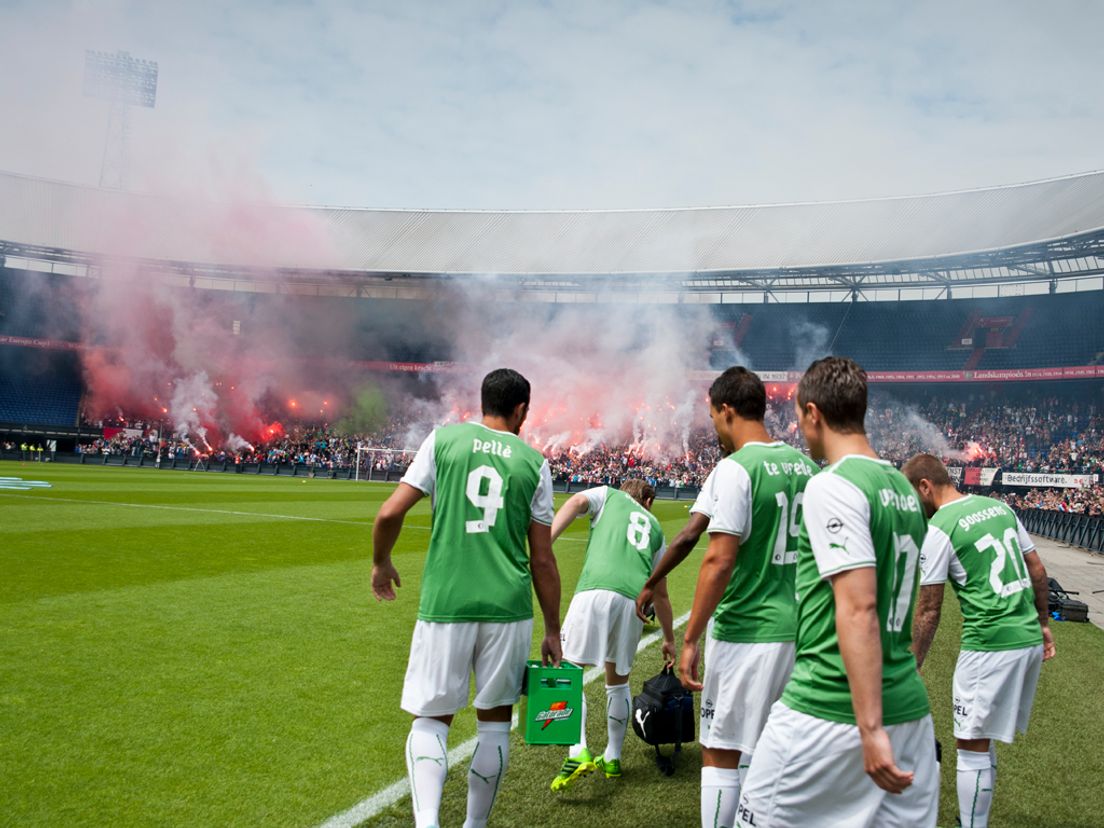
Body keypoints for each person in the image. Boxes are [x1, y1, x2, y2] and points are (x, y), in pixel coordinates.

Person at [740, 356, 938, 827]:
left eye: (798, 419)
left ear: (813, 413)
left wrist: (869, 728)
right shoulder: (903, 489)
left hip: (829, 705)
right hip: (908, 706)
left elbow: (859, 607)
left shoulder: (833, 484)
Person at [371, 368, 563, 828]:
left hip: (447, 603)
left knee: (432, 720)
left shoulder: (442, 441)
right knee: (495, 724)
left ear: (483, 402)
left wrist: (381, 562)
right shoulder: (534, 463)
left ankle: (427, 823)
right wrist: (553, 627)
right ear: (521, 410)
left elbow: (389, 511)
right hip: (509, 610)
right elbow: (542, 559)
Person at [676, 366, 817, 828]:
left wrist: (692, 637)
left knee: (719, 748)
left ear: (727, 409)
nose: (713, 425)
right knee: (771, 750)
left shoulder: (736, 469)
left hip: (746, 630)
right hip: (800, 632)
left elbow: (718, 560)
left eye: (713, 415)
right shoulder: (807, 468)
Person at [903, 453, 1056, 828]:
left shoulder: (939, 527)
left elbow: (928, 609)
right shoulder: (1000, 507)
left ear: (925, 486)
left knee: (969, 743)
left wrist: (913, 665)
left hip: (990, 642)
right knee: (980, 738)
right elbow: (1037, 568)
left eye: (913, 495)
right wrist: (1043, 623)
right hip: (1026, 637)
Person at [548, 478, 675, 791]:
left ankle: (577, 750)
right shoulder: (656, 529)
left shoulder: (608, 495)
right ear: (647, 501)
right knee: (618, 683)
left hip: (594, 590)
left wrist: (545, 539)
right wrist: (670, 639)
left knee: (568, 673)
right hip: (633, 604)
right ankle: (612, 757)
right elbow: (661, 594)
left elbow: (577, 502)